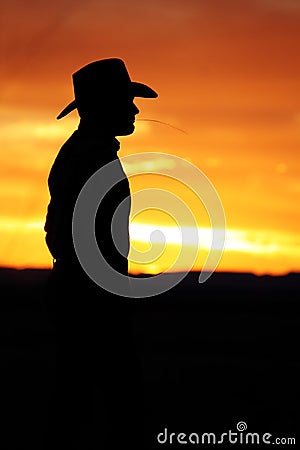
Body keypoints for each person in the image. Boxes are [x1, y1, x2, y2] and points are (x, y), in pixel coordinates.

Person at [43, 58, 158, 449]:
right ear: (104, 105)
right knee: (117, 403)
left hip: (82, 294)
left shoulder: (83, 153)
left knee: (78, 398)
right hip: (92, 299)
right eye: (127, 100)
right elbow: (78, 236)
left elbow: (56, 230)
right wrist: (106, 291)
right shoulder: (92, 158)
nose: (136, 109)